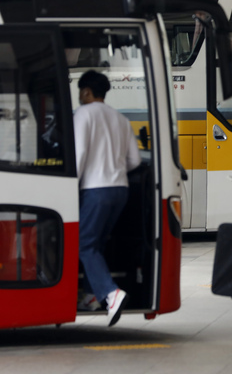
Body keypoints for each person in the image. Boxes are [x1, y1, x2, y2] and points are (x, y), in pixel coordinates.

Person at [74, 70, 141, 326]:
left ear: (86, 92)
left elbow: (79, 155)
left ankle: (110, 294)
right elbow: (134, 160)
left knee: (84, 244)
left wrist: (72, 185)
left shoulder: (83, 114)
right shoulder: (120, 118)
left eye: (81, 91)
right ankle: (91, 296)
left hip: (95, 190)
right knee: (96, 244)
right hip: (120, 190)